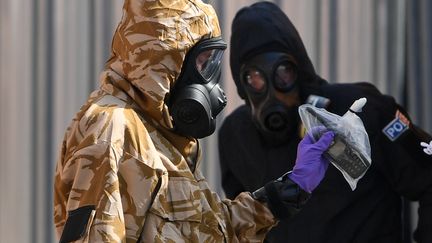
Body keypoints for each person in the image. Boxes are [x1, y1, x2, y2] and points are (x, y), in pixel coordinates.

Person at [53, 0, 335, 242]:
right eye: (202, 63)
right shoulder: (112, 128)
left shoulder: (160, 137)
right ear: (164, 61)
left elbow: (217, 231)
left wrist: (292, 188)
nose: (211, 82)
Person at [219, 2, 432, 243]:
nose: (272, 92)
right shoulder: (236, 135)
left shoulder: (360, 110)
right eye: (254, 78)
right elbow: (242, 225)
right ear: (242, 84)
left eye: (282, 73)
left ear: (299, 68)